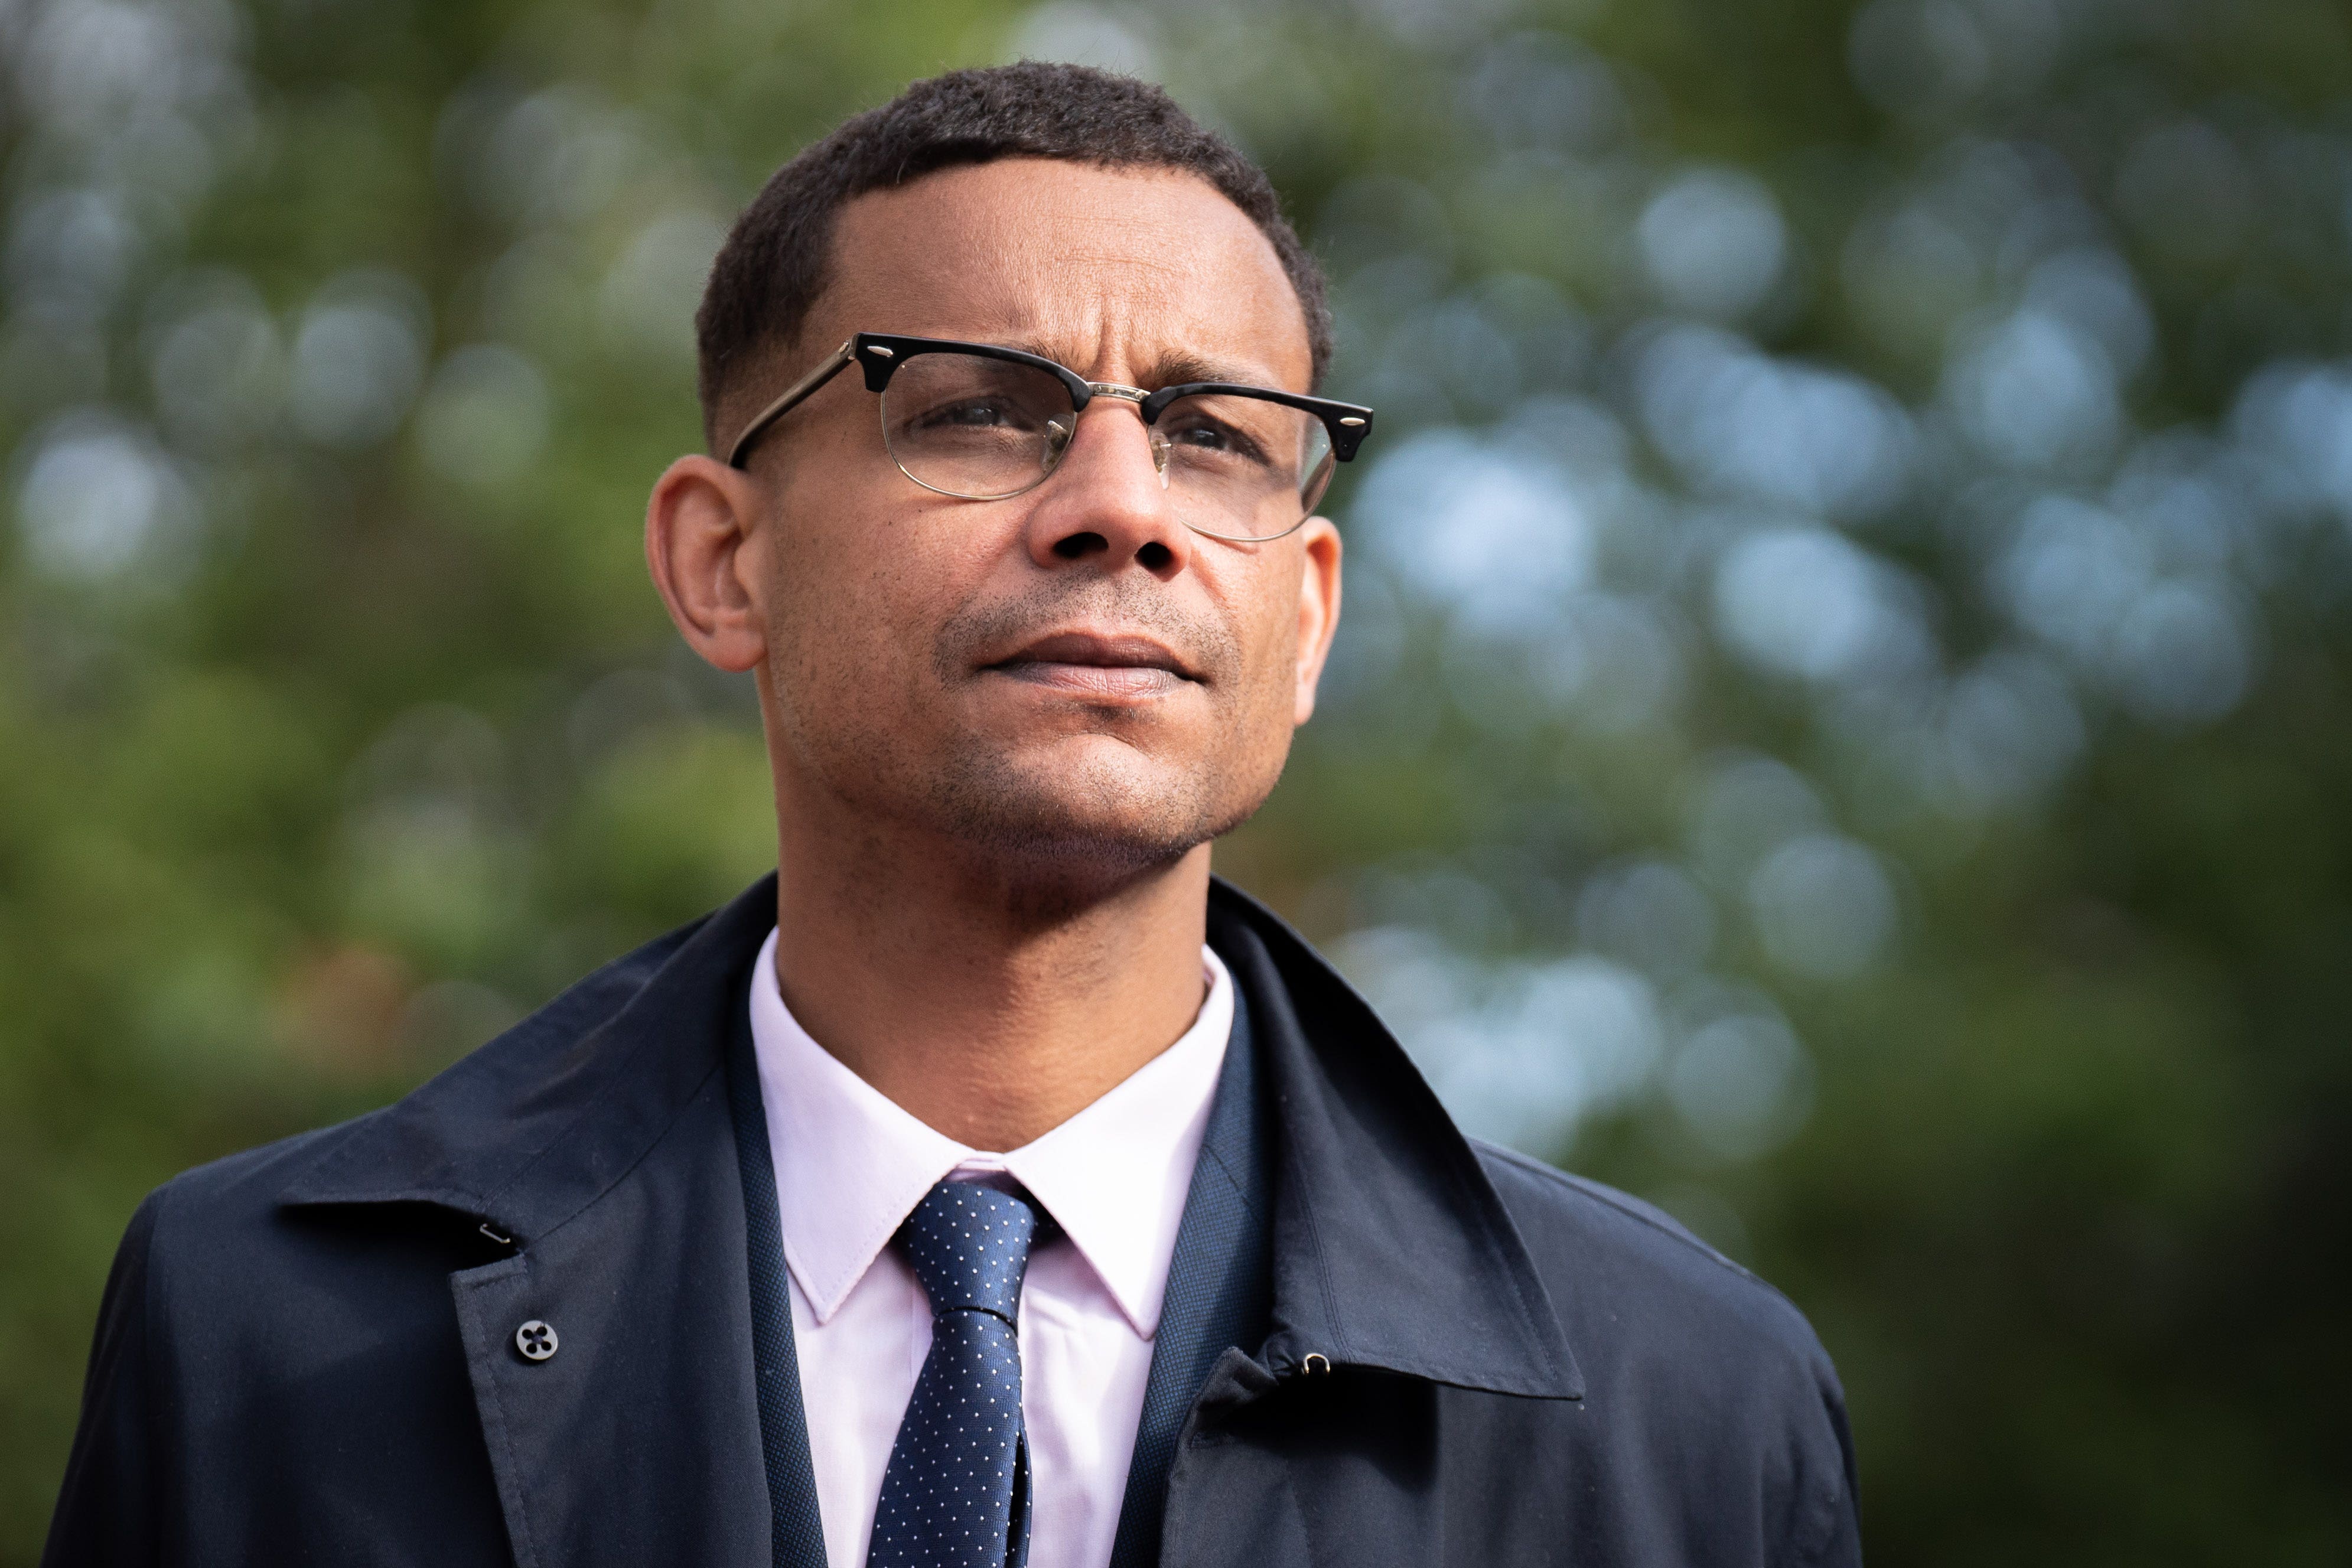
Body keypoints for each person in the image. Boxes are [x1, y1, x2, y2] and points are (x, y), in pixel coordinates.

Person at [44, 62, 1860, 1568]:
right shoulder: (264, 1328)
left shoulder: (1686, 1411)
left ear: (1304, 617)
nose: (1119, 504)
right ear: (720, 560)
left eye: (1218, 436)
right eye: (988, 413)